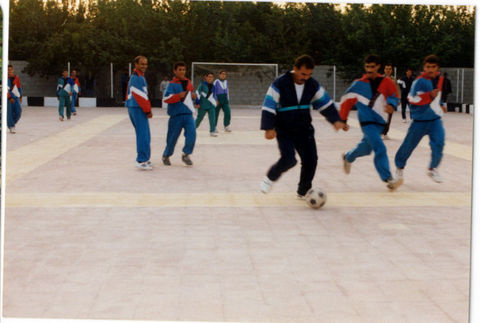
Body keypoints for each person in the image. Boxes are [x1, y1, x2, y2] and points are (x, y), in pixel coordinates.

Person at [260, 54, 348, 199]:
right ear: (295, 69)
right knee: (289, 159)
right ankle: (270, 178)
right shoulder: (280, 83)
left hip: (304, 129)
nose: (305, 77)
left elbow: (324, 103)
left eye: (308, 74)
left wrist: (336, 120)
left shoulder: (312, 85)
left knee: (311, 160)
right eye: (303, 74)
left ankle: (303, 191)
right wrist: (268, 128)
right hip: (284, 129)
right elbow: (269, 104)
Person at [339, 54, 402, 191]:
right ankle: (388, 178)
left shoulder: (387, 82)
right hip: (366, 121)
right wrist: (343, 120)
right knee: (380, 147)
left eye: (372, 67)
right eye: (367, 66)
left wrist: (392, 105)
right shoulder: (358, 84)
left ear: (378, 67)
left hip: (380, 122)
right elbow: (346, 100)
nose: (369, 70)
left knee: (367, 149)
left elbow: (393, 96)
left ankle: (348, 157)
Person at [394, 54, 447, 183]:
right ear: (424, 67)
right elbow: (412, 98)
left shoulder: (441, 79)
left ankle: (433, 168)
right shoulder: (419, 81)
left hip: (435, 120)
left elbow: (438, 97)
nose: (430, 69)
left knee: (439, 143)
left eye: (433, 67)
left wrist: (441, 105)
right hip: (419, 121)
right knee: (408, 146)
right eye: (428, 67)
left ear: (437, 68)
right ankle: (399, 168)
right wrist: (429, 96)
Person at [162, 61, 197, 166]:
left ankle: (186, 154)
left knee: (192, 134)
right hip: (175, 116)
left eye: (183, 70)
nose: (182, 72)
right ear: (175, 71)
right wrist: (179, 96)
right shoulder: (172, 85)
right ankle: (166, 155)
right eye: (180, 70)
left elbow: (190, 97)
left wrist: (194, 97)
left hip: (188, 115)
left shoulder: (189, 83)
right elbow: (166, 98)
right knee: (172, 138)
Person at [126, 55, 153, 170]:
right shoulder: (137, 77)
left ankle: (145, 158)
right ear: (136, 64)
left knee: (144, 134)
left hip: (134, 107)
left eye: (145, 64)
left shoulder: (137, 76)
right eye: (142, 64)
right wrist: (148, 111)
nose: (144, 66)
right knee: (143, 134)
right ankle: (141, 160)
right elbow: (141, 96)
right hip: (138, 108)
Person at [195, 72, 218, 137]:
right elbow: (198, 93)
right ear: (206, 77)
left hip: (211, 105)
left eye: (212, 77)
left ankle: (212, 131)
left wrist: (216, 101)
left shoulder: (213, 86)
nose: (210, 78)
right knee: (199, 118)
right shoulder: (202, 85)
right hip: (202, 105)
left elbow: (214, 95)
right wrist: (197, 102)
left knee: (212, 118)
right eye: (209, 77)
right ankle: (192, 129)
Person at [381, 63, 399, 139]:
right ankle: (381, 132)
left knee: (389, 118)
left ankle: (385, 133)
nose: (388, 70)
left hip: (391, 101)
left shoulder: (394, 79)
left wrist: (398, 100)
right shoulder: (380, 78)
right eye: (387, 69)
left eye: (389, 69)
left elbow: (397, 90)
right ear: (384, 70)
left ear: (391, 70)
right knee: (382, 117)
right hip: (382, 101)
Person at [7, 65, 23, 133]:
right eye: (8, 70)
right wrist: (9, 97)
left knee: (18, 112)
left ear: (13, 70)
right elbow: (5, 89)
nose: (9, 71)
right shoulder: (4, 79)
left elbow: (19, 87)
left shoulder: (16, 78)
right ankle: (11, 126)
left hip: (16, 96)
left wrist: (20, 96)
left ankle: (10, 122)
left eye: (10, 69)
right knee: (9, 112)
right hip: (8, 97)